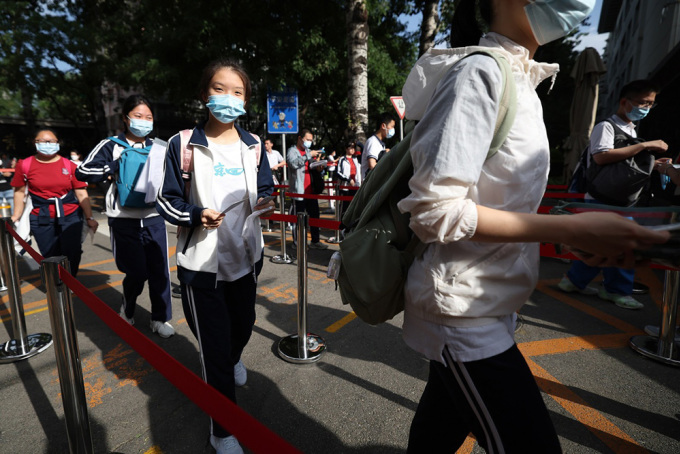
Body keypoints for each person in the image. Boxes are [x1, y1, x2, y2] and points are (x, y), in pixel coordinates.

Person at [396, 1, 669, 452]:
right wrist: (569, 232)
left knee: (437, 429)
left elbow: (498, 199)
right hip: (463, 309)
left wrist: (576, 232)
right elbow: (434, 211)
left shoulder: (518, 78)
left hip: (488, 300)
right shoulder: (480, 74)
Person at [156, 58, 274, 454]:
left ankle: (232, 358)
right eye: (220, 89)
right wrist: (195, 215)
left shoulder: (254, 145)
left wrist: (269, 203)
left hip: (245, 260)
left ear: (247, 100)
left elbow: (267, 188)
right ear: (205, 94)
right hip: (200, 268)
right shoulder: (183, 144)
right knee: (214, 351)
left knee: (243, 327)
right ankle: (222, 431)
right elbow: (166, 202)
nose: (228, 98)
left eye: (238, 92)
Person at [558, 80, 668, 310]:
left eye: (651, 104)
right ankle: (616, 290)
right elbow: (601, 156)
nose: (646, 109)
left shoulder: (631, 129)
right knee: (623, 244)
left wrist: (655, 164)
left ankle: (573, 282)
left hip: (616, 198)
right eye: (642, 103)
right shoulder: (606, 126)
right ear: (624, 102)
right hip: (602, 198)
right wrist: (644, 145)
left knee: (601, 244)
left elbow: (624, 162)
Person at [76, 94, 174, 338]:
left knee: (160, 271)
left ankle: (160, 318)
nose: (144, 121)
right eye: (138, 116)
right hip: (123, 220)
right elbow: (83, 171)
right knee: (137, 272)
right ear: (126, 118)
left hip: (153, 217)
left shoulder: (159, 147)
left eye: (148, 117)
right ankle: (127, 308)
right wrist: (112, 167)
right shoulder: (110, 145)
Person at [10, 129, 98, 275]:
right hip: (41, 217)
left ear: (58, 143)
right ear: (35, 143)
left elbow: (81, 192)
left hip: (70, 216)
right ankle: (56, 284)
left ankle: (70, 281)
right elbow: (19, 192)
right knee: (50, 255)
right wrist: (16, 215)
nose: (48, 144)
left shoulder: (69, 165)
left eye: (52, 141)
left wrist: (90, 218)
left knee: (73, 252)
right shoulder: (25, 164)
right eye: (43, 141)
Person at [287, 128, 328, 249]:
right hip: (298, 192)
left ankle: (315, 241)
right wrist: (308, 155)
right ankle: (298, 243)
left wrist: (318, 167)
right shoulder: (292, 151)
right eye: (307, 139)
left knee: (315, 217)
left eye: (311, 140)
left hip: (311, 191)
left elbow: (311, 166)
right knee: (298, 218)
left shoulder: (308, 151)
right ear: (300, 138)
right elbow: (293, 164)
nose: (309, 142)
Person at [360, 112, 395, 180]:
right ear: (383, 126)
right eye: (392, 126)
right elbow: (372, 165)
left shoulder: (380, 144)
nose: (393, 129)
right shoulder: (373, 142)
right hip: (370, 185)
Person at [336, 141, 361, 215]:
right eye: (351, 148)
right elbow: (338, 172)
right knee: (344, 206)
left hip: (355, 186)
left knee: (354, 206)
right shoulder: (342, 159)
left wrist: (359, 143)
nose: (353, 149)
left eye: (354, 147)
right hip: (345, 187)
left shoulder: (356, 159)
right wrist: (348, 179)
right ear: (346, 149)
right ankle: (342, 223)